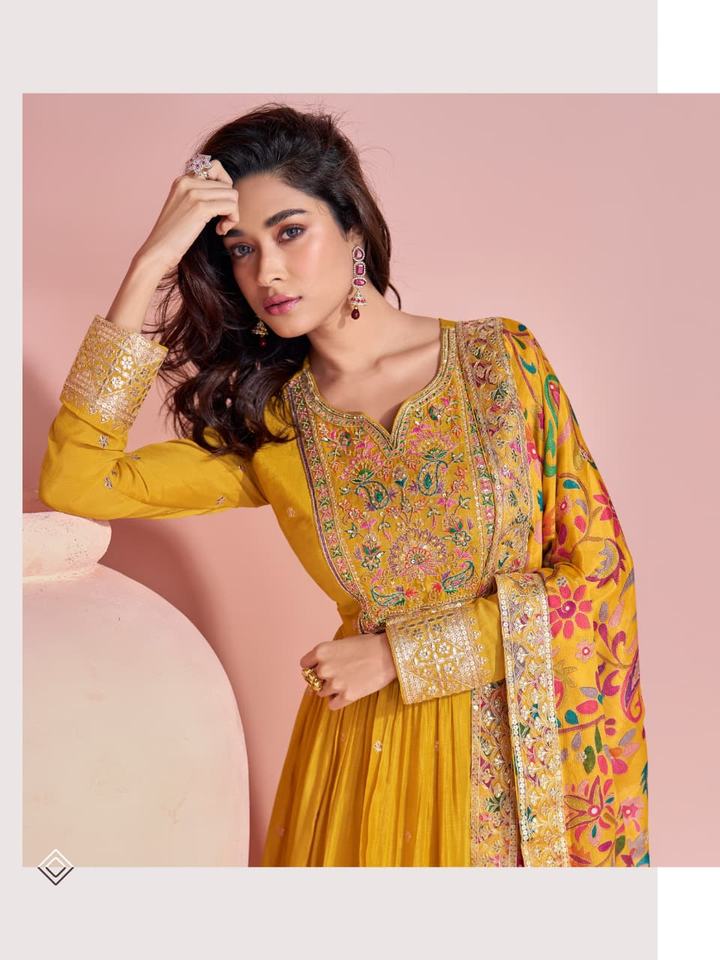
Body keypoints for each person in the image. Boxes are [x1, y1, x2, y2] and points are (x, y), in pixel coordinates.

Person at [38, 102, 650, 867]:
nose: (267, 272)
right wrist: (150, 264)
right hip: (367, 770)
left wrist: (400, 655)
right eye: (240, 249)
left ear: (352, 226)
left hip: (521, 768)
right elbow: (78, 480)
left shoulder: (501, 363)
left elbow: (599, 577)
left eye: (291, 231)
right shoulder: (273, 426)